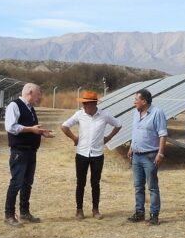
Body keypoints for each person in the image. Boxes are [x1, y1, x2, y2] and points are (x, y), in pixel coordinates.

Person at [60, 90, 123, 220]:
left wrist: (108, 137)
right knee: (80, 183)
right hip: (82, 154)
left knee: (95, 182)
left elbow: (118, 125)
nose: (84, 106)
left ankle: (95, 209)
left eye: (86, 104)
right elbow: (64, 126)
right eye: (83, 103)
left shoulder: (104, 115)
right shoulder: (79, 114)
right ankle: (79, 210)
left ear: (94, 104)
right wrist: (74, 138)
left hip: (97, 154)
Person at [3, 83, 54, 227]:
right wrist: (31, 129)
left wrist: (42, 133)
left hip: (30, 151)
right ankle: (9, 215)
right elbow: (11, 127)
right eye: (38, 94)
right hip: (19, 151)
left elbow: (31, 129)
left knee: (27, 184)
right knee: (16, 183)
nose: (40, 97)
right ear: (30, 93)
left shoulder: (30, 108)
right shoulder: (14, 105)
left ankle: (24, 213)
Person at [127, 88, 168, 225]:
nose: (134, 103)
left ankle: (154, 215)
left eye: (136, 100)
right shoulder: (136, 113)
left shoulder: (157, 113)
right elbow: (135, 132)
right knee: (138, 186)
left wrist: (160, 153)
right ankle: (139, 212)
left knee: (152, 186)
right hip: (137, 155)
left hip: (150, 156)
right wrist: (131, 147)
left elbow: (162, 134)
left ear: (144, 101)